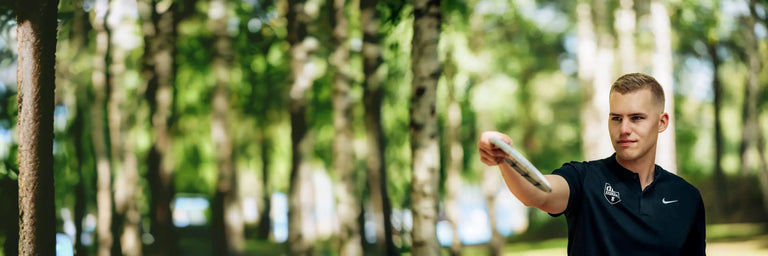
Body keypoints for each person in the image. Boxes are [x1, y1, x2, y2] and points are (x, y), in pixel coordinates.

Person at [477, 73, 705, 255]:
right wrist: (504, 158)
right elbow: (538, 193)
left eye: (636, 118)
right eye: (616, 118)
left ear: (661, 122)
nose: (624, 129)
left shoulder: (687, 197)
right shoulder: (584, 178)